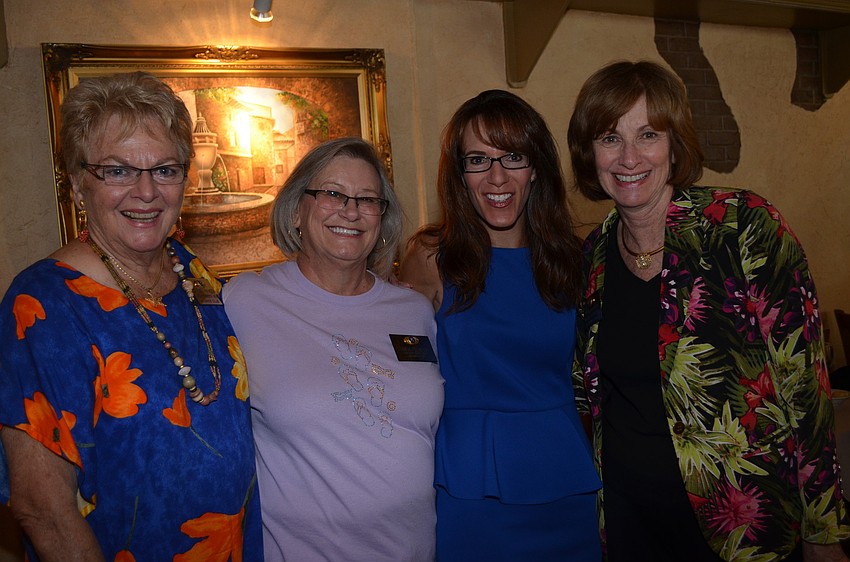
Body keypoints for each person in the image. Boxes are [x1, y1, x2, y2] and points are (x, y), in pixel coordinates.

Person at [567, 60, 850, 561]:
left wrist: (824, 531)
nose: (629, 157)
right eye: (610, 138)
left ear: (674, 146)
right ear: (590, 154)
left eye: (648, 133)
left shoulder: (744, 227)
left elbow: (805, 389)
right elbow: (593, 396)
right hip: (632, 522)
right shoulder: (593, 255)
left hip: (744, 526)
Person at [0, 72, 263, 561]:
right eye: (117, 171)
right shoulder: (42, 306)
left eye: (164, 169)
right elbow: (42, 508)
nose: (146, 192)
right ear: (78, 184)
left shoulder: (192, 272)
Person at [400, 90, 601, 561]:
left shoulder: (573, 261)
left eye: (513, 156)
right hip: (469, 488)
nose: (497, 177)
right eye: (477, 159)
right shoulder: (432, 258)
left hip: (564, 484)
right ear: (459, 174)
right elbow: (401, 372)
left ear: (536, 168)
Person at [223, 137, 445, 561]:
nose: (351, 210)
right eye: (331, 194)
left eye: (367, 199)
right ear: (296, 210)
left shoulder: (413, 311)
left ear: (382, 219)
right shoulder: (246, 300)